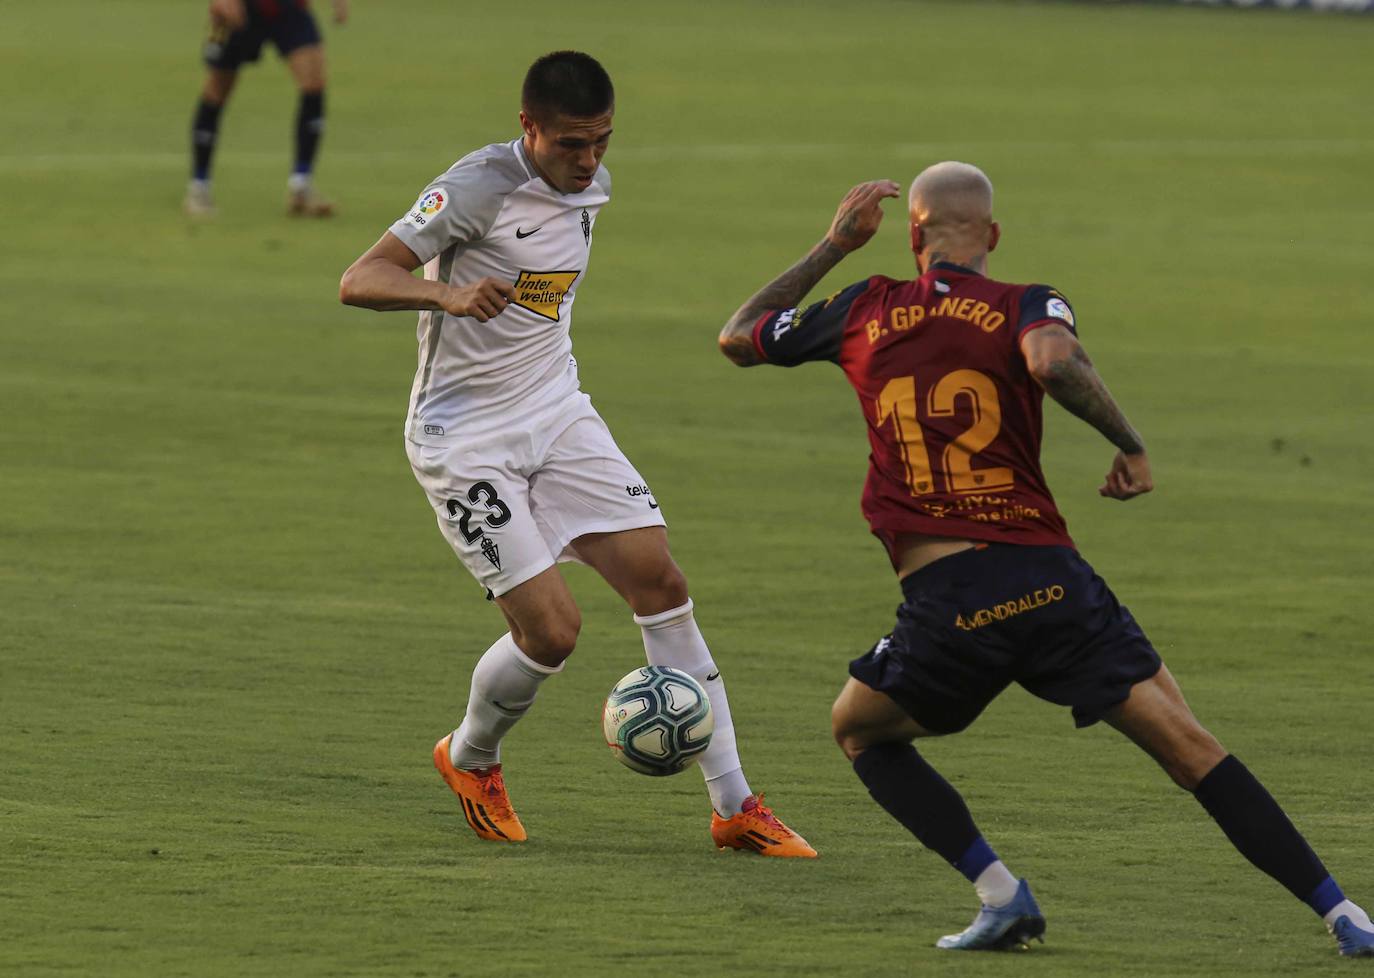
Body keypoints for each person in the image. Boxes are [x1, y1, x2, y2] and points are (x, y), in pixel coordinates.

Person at [716, 162, 1373, 953]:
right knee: (1192, 748)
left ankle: (1000, 893)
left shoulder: (865, 306)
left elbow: (739, 336)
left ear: (913, 234)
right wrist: (1128, 444)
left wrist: (834, 245)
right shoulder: (1023, 302)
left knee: (859, 730)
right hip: (1053, 583)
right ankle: (1346, 916)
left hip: (952, 599)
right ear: (991, 237)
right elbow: (1054, 360)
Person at [338, 51, 813, 857]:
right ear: (528, 128)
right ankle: (470, 757)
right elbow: (360, 277)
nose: (588, 160)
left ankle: (734, 806)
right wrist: (444, 291)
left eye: (602, 141)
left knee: (661, 582)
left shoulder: (593, 183)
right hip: (465, 439)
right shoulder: (481, 185)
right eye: (570, 144)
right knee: (554, 633)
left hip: (558, 413)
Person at [184, 0, 346, 217]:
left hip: (289, 7)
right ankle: (199, 188)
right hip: (241, 7)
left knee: (314, 82)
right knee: (217, 89)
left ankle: (301, 187)